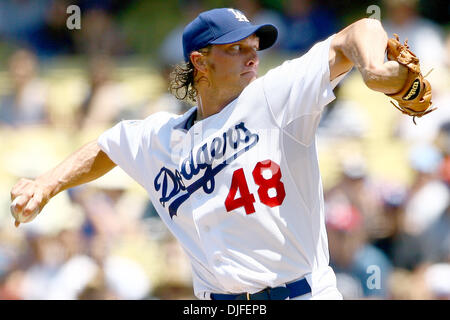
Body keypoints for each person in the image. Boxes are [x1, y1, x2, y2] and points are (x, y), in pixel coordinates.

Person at [10, 8, 419, 300]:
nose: (252, 55)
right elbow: (107, 146)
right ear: (199, 61)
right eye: (235, 48)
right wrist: (47, 184)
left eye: (253, 46)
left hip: (299, 293)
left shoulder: (274, 98)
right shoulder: (160, 137)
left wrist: (374, 68)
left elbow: (361, 29)